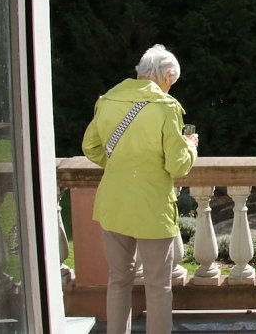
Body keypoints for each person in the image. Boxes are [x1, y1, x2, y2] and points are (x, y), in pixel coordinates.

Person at [82, 44, 199, 334]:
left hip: (114, 204)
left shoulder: (108, 100)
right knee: (158, 285)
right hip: (152, 208)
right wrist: (191, 148)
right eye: (172, 82)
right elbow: (178, 165)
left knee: (119, 280)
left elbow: (90, 147)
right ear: (167, 77)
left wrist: (119, 163)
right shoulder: (166, 108)